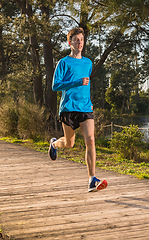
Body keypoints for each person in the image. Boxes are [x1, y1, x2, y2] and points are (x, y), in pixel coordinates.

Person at [48, 28, 107, 192]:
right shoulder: (63, 63)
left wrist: (90, 102)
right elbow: (55, 86)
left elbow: (86, 86)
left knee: (91, 140)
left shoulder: (88, 62)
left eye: (82, 40)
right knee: (69, 143)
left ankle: (92, 179)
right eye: (76, 40)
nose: (79, 42)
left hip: (85, 107)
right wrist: (76, 82)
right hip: (68, 108)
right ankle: (54, 144)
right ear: (70, 42)